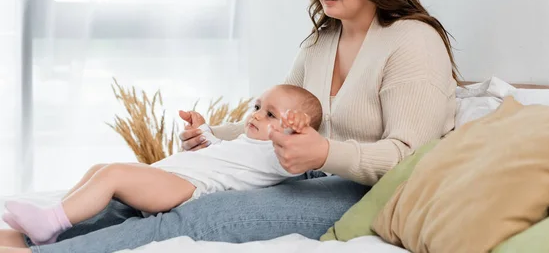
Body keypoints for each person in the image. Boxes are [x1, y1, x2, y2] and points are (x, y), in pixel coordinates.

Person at [0, 0, 459, 253]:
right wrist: (212, 136)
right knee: (137, 192)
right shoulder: (320, 43)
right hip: (300, 173)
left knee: (193, 215)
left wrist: (324, 152)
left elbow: (408, 155)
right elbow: (275, 122)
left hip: (364, 192)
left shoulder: (411, 41)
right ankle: (22, 238)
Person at [2, 85, 322, 246]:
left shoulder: (278, 156)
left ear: (292, 130)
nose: (255, 115)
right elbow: (215, 149)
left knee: (114, 174)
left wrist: (300, 131)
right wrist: (203, 129)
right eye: (257, 106)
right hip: (169, 176)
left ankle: (51, 222)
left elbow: (297, 158)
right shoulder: (246, 142)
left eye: (270, 115)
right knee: (102, 167)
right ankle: (59, 220)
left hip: (184, 190)